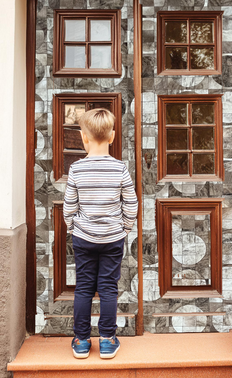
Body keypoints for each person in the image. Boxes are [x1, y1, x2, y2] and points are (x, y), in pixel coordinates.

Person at [63, 108, 138, 360]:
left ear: (84, 138)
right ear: (112, 136)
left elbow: (69, 206)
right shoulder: (120, 168)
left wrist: (73, 227)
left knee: (83, 287)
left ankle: (82, 341)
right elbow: (131, 203)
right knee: (107, 287)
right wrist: (125, 228)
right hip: (112, 238)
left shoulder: (76, 169)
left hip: (84, 237)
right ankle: (107, 340)